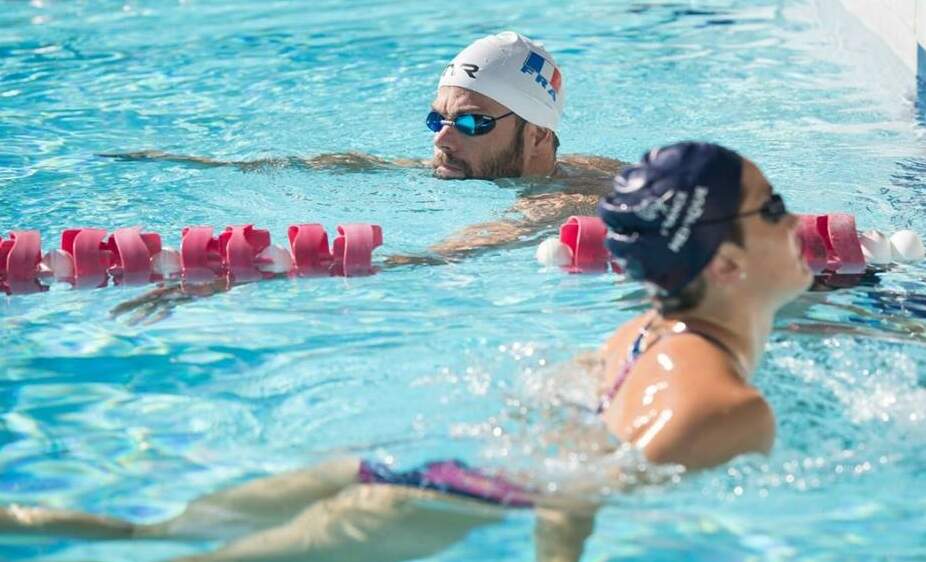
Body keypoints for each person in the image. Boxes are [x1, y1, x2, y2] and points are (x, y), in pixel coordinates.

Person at [2, 142, 812, 561]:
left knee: (155, 539)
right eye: (773, 206)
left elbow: (549, 408)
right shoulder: (726, 409)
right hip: (415, 508)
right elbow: (570, 498)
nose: (797, 219)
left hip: (400, 468)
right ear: (730, 264)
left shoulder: (640, 333)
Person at [100, 31, 625, 262]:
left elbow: (459, 251)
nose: (442, 137)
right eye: (436, 119)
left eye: (470, 122)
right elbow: (369, 166)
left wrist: (265, 271)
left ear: (535, 134)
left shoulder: (574, 199)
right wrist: (217, 164)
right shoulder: (485, 162)